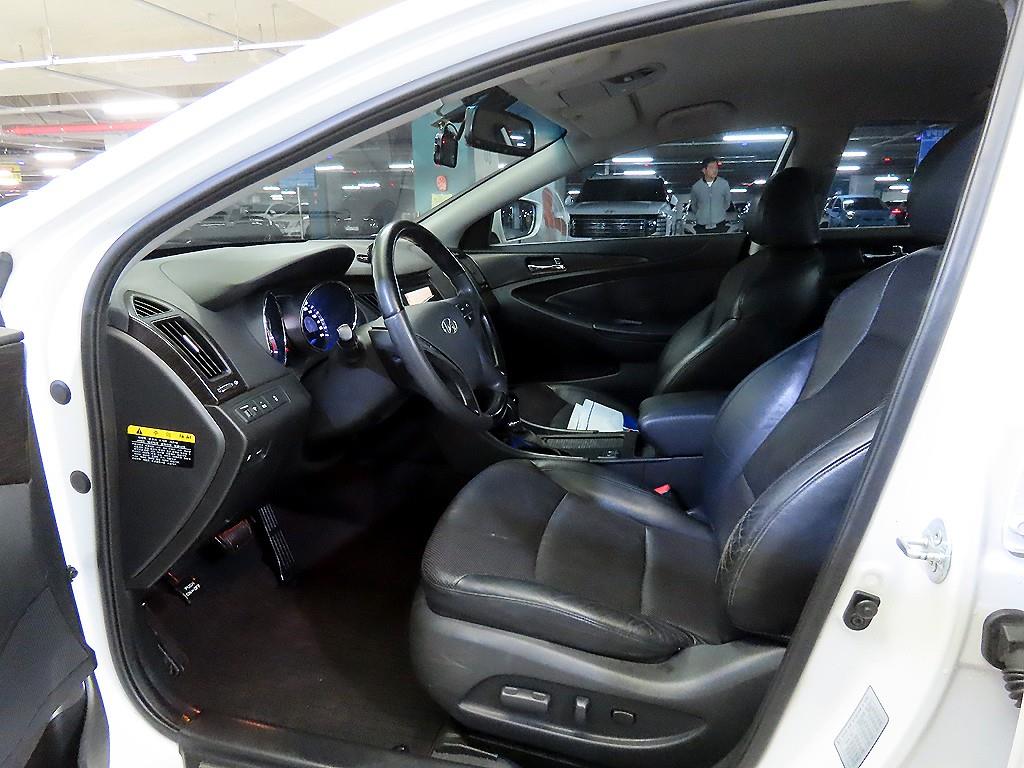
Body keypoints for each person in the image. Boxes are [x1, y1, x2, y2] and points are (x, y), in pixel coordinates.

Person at [689, 157, 731, 233]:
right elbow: (694, 206)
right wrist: (701, 214)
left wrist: (719, 211)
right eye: (711, 167)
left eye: (716, 167)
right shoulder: (696, 187)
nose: (715, 170)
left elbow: (727, 202)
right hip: (702, 227)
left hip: (720, 225)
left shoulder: (724, 184)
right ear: (704, 170)